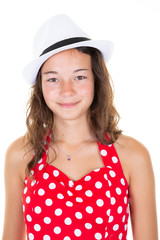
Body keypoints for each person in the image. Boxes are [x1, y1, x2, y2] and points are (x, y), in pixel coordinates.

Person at [2, 14, 158, 240]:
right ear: (40, 86)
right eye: (53, 79)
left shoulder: (133, 156)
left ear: (96, 80)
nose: (67, 91)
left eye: (79, 77)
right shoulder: (21, 154)